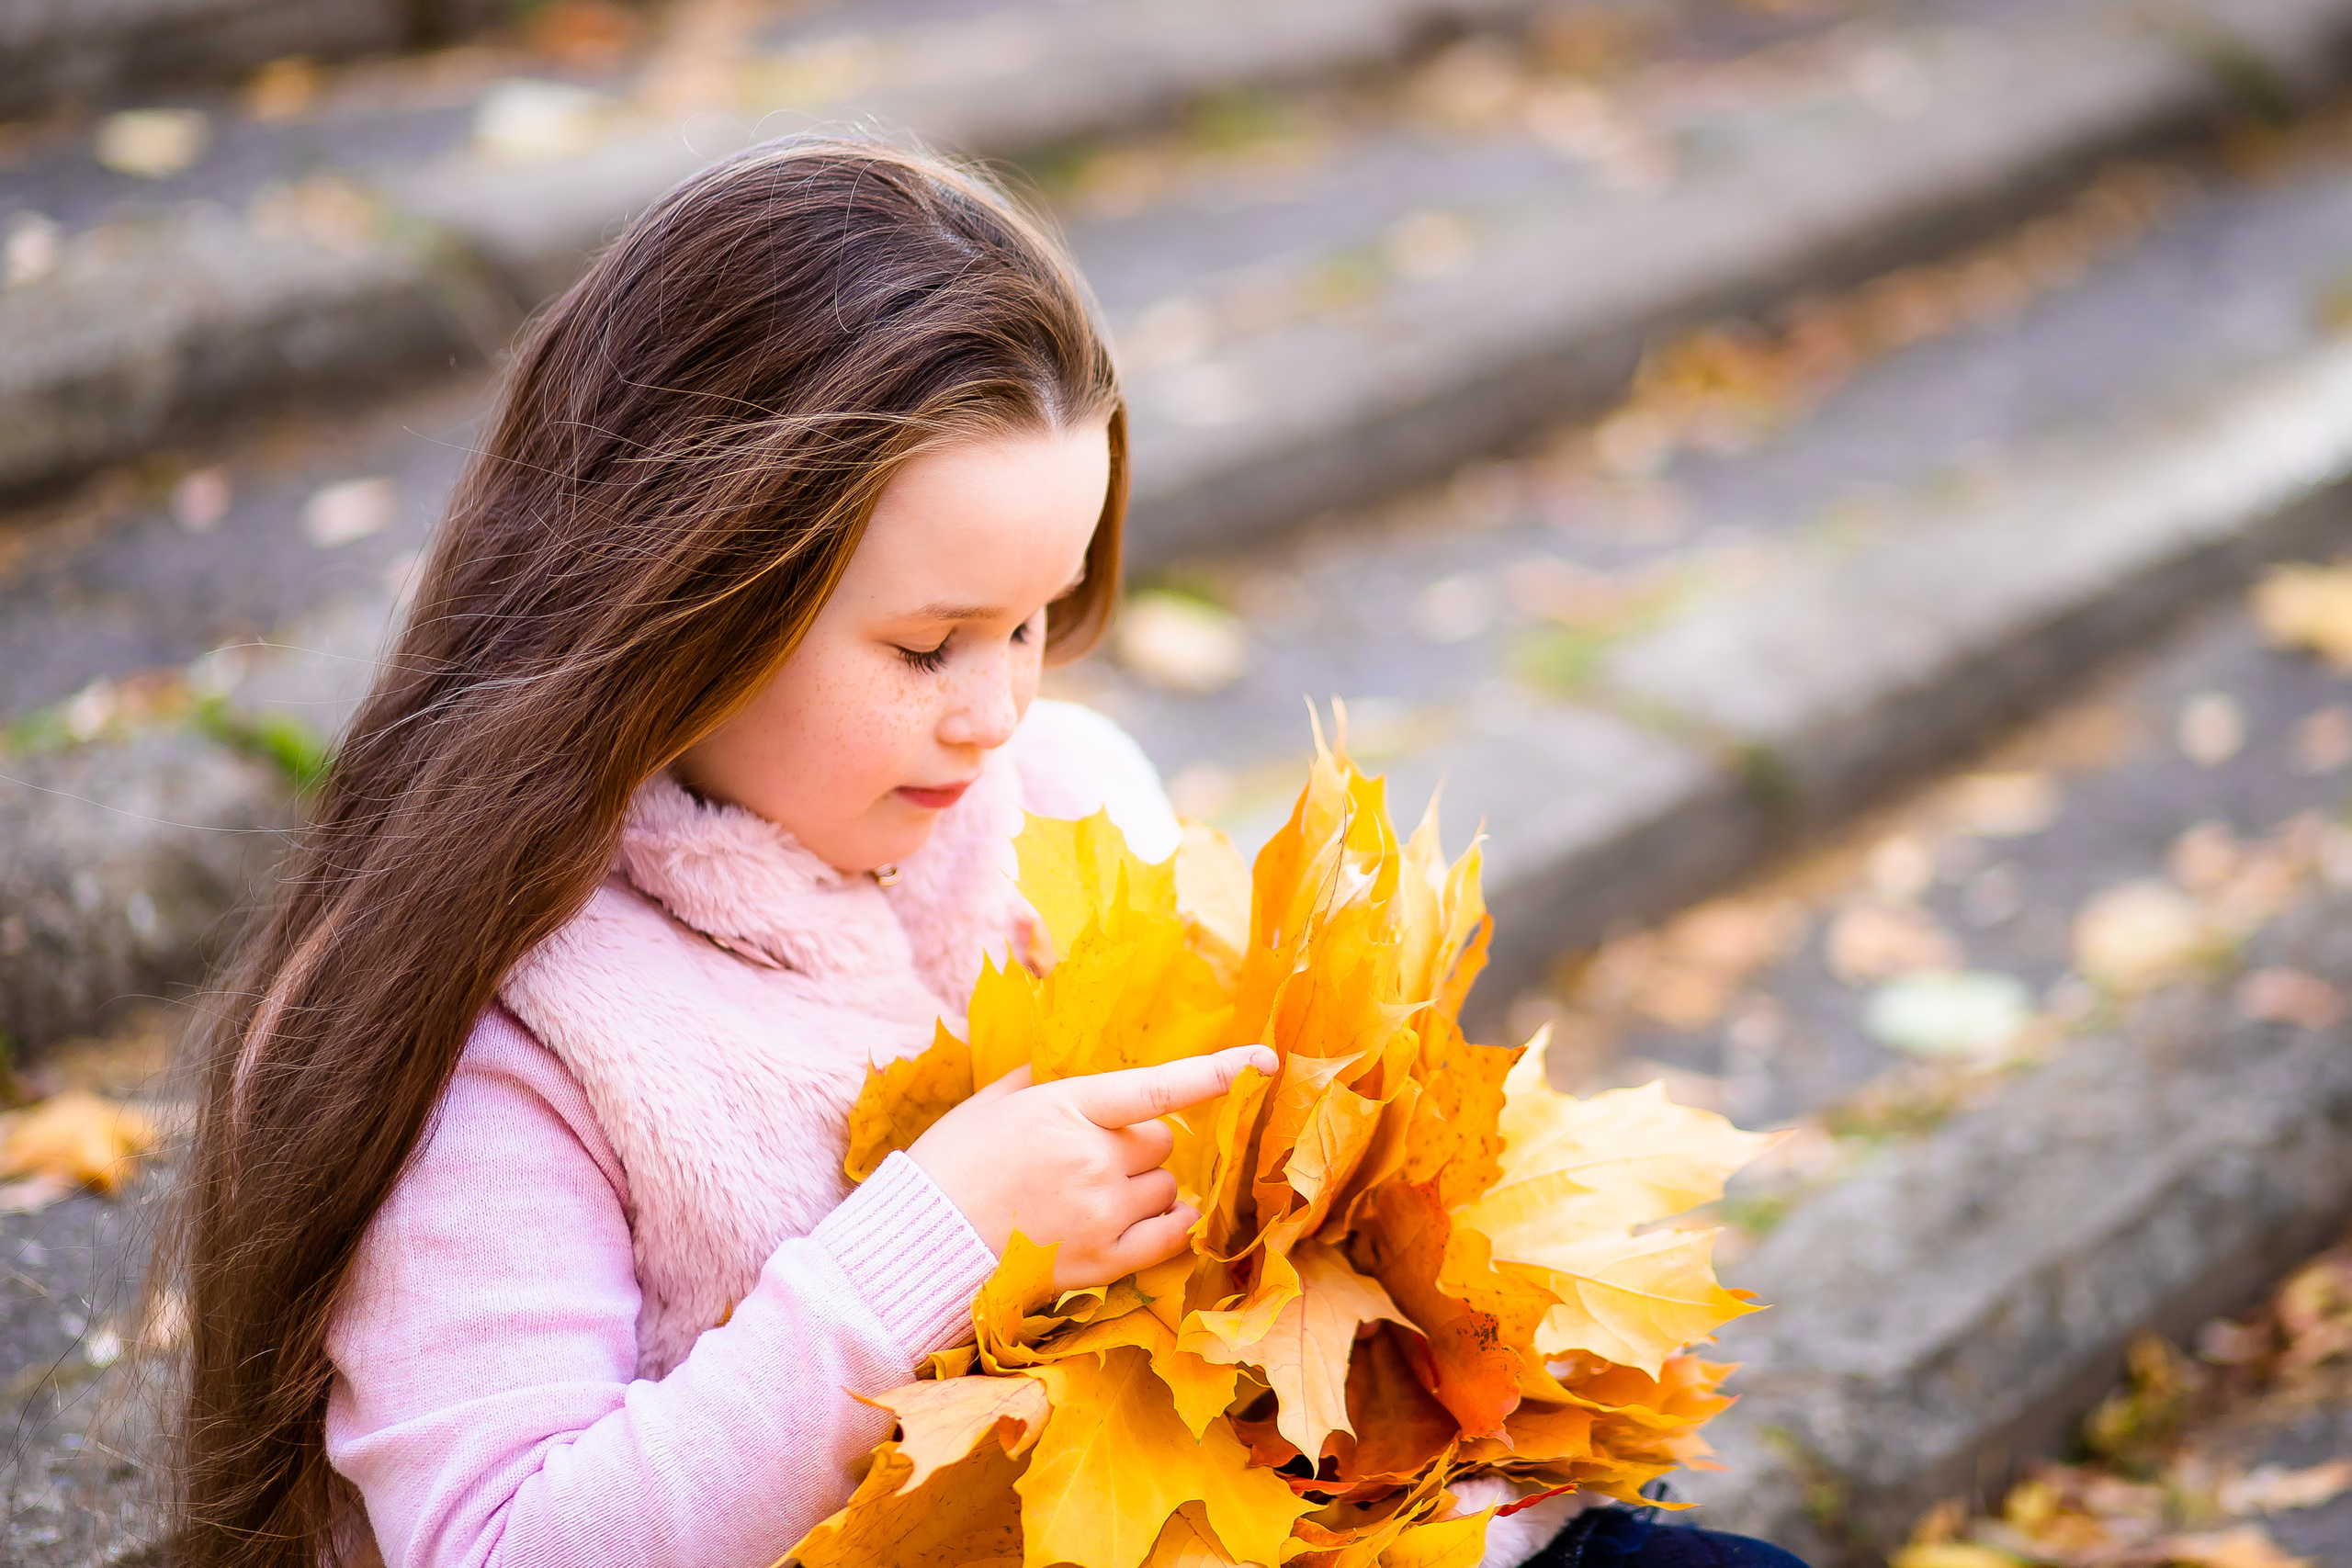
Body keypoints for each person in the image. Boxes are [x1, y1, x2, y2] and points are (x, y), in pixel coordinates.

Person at [164, 137, 1805, 1568]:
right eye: (931, 644)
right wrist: (938, 1234)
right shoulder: (497, 1019)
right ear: (677, 600)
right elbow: (511, 1545)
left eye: (1038, 620)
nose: (998, 712)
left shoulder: (1065, 791)